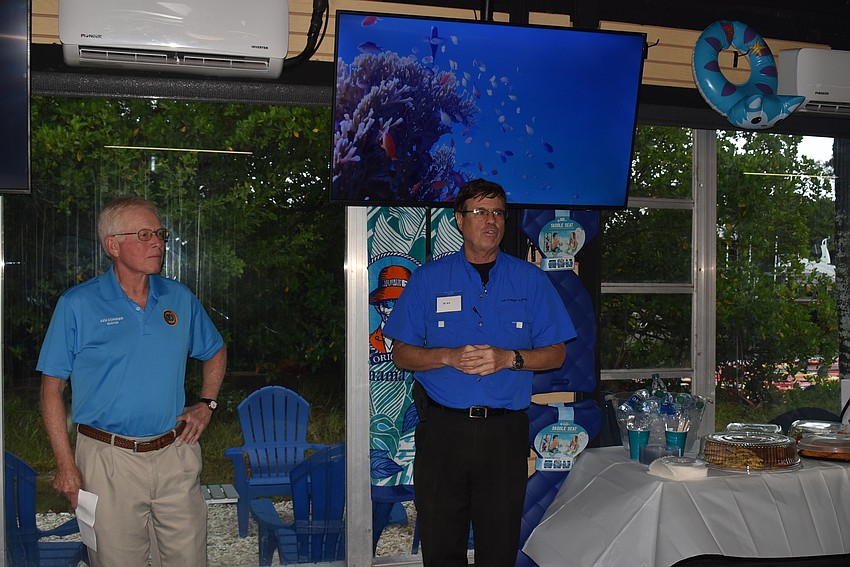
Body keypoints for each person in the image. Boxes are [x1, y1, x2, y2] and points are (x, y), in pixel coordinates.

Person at [383, 179, 576, 567]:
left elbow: (556, 355)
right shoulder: (428, 279)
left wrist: (508, 359)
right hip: (443, 434)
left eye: (498, 213)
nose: (491, 221)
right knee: (441, 547)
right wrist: (447, 356)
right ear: (459, 219)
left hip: (504, 436)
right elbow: (401, 355)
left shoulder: (530, 279)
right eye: (480, 212)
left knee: (498, 549)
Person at [38, 196, 227, 567]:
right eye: (144, 235)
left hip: (175, 454)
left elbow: (215, 351)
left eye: (159, 234)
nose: (157, 242)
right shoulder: (77, 304)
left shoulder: (179, 298)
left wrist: (207, 404)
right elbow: (51, 389)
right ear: (113, 245)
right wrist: (65, 464)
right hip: (107, 462)